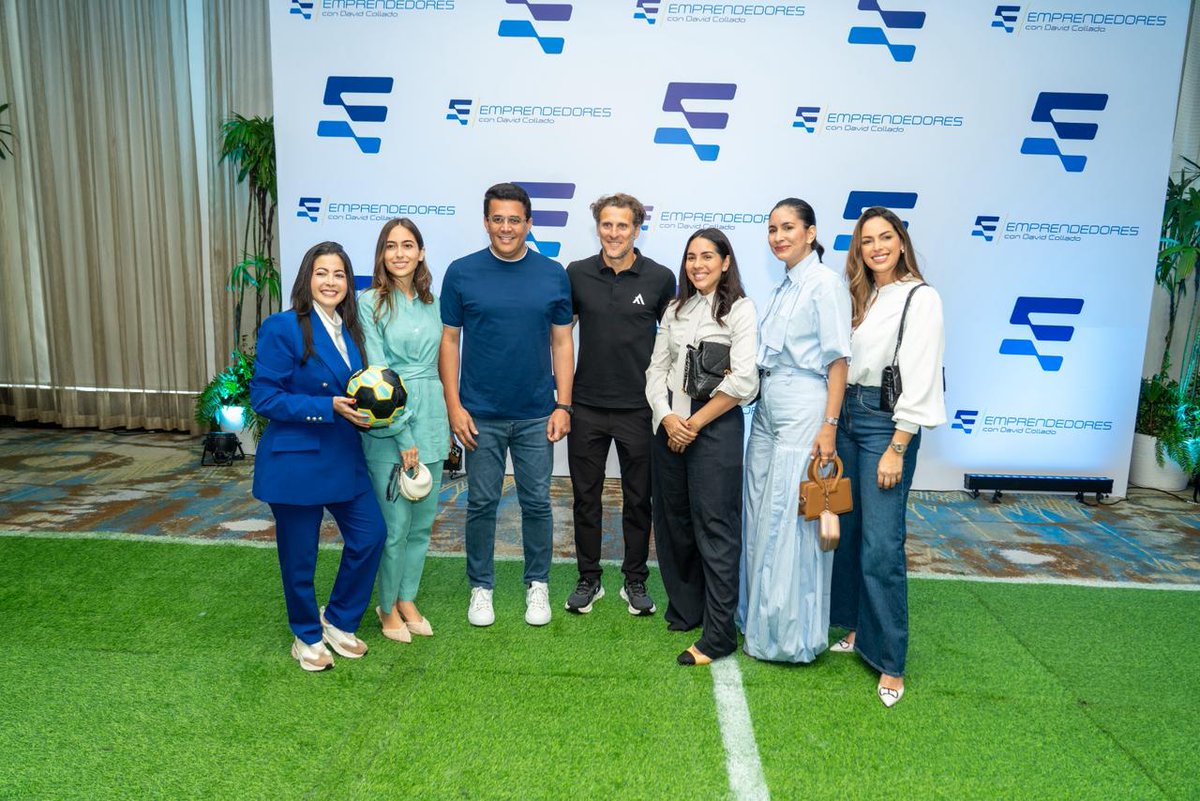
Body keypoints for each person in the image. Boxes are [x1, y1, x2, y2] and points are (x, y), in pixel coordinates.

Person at [439, 182, 574, 628]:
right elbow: (450, 341)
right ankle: (481, 588)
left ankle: (538, 585)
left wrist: (564, 405)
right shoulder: (461, 272)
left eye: (515, 219)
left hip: (538, 413)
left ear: (529, 223)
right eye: (497, 218)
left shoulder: (553, 273)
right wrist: (455, 406)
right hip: (480, 415)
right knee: (480, 504)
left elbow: (561, 340)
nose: (506, 227)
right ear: (485, 222)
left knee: (537, 502)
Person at [828, 206, 945, 707]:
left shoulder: (922, 297)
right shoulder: (859, 294)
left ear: (901, 242)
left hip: (885, 422)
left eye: (885, 237)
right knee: (850, 534)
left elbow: (920, 375)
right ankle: (856, 629)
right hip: (849, 416)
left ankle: (890, 661)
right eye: (867, 239)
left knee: (882, 543)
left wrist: (898, 445)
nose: (876, 246)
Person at [251, 241, 387, 672]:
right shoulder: (282, 327)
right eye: (322, 273)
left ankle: (339, 620)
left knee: (371, 536)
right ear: (307, 278)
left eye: (339, 275)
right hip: (295, 461)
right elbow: (264, 397)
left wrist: (362, 413)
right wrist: (324, 407)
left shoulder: (350, 332)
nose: (331, 282)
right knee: (300, 557)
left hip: (344, 455)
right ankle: (306, 635)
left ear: (349, 284)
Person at [740, 198, 851, 663]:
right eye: (771, 229)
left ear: (810, 232)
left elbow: (838, 361)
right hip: (766, 406)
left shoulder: (825, 284)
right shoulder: (784, 287)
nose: (778, 236)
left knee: (790, 517)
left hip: (806, 407)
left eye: (788, 227)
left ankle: (789, 637)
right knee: (758, 511)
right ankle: (755, 619)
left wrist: (829, 425)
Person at [645, 228, 758, 666]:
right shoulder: (677, 307)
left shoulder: (741, 310)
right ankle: (687, 609)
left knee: (715, 529)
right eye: (691, 257)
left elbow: (744, 380)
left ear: (725, 262)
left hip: (712, 431)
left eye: (707, 256)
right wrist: (667, 418)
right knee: (674, 523)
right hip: (670, 429)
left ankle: (718, 633)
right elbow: (658, 370)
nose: (698, 265)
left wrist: (691, 423)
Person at [564, 193, 675, 616]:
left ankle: (635, 580)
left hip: (641, 409)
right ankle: (589, 579)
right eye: (606, 225)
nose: (614, 233)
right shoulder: (576, 274)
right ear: (598, 227)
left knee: (638, 499)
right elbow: (560, 335)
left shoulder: (661, 278)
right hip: (587, 406)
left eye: (622, 226)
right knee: (585, 498)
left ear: (637, 228)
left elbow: (676, 340)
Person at [359, 218, 450, 642]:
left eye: (408, 245)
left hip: (433, 414)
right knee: (394, 526)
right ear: (381, 254)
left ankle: (407, 597)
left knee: (422, 523)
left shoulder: (435, 301)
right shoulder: (368, 302)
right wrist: (403, 436)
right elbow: (377, 375)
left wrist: (445, 422)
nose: (399, 253)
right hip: (389, 424)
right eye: (391, 246)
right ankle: (386, 604)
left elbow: (446, 364)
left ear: (421, 252)